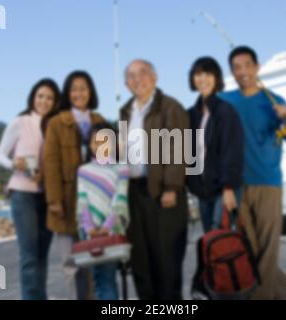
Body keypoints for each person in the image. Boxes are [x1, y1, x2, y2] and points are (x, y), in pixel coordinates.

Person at [219, 46, 286, 300]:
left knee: (268, 251)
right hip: (237, 186)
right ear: (232, 72)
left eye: (247, 65)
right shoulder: (225, 101)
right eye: (237, 67)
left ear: (257, 68)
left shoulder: (275, 102)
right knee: (249, 250)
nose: (243, 71)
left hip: (268, 184)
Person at [119, 59, 190, 300]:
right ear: (126, 83)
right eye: (131, 75)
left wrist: (171, 187)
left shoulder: (170, 107)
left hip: (162, 191)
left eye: (142, 73)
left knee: (166, 261)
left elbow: (179, 147)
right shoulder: (125, 112)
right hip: (133, 191)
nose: (137, 79)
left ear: (154, 77)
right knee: (140, 259)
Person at [0, 78, 60, 300]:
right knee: (30, 257)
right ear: (33, 97)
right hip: (23, 195)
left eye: (49, 97)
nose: (44, 101)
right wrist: (15, 164)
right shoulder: (20, 122)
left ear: (55, 102)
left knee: (42, 256)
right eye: (40, 96)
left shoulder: (56, 125)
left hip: (48, 196)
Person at [43, 71, 106, 300]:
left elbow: (111, 161)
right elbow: (50, 163)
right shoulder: (57, 123)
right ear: (67, 94)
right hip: (66, 201)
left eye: (84, 88)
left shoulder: (100, 121)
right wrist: (54, 200)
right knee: (70, 263)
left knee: (92, 259)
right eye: (74, 89)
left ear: (91, 92)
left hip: (95, 202)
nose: (79, 93)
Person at [186, 57, 244, 232]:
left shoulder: (225, 111)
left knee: (221, 240)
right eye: (198, 74)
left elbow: (232, 151)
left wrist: (228, 187)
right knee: (209, 242)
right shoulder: (191, 114)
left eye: (208, 74)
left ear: (216, 78)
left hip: (223, 190)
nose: (202, 79)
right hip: (203, 192)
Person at [76, 122, 130, 300]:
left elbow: (120, 200)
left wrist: (108, 226)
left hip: (112, 230)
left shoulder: (121, 169)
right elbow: (82, 200)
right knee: (98, 279)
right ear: (89, 145)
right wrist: (88, 226)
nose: (100, 146)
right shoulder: (83, 170)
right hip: (89, 232)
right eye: (95, 142)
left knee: (107, 279)